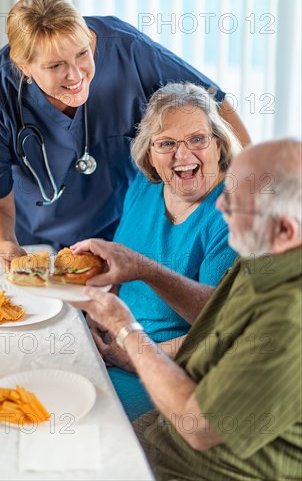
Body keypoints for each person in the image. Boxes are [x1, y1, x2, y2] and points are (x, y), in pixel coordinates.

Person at [0, 0, 250, 268]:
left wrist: (251, 188)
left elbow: (215, 104)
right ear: (24, 66)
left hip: (121, 229)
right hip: (37, 245)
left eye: (82, 53)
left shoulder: (128, 51)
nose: (76, 75)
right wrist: (9, 250)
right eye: (56, 66)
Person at [70, 138, 302, 480]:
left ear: (285, 230)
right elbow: (215, 313)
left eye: (236, 204)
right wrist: (140, 266)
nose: (220, 206)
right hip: (162, 434)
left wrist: (125, 329)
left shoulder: (290, 323)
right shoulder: (269, 253)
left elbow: (197, 426)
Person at [71, 81, 241, 420]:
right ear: (150, 152)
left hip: (170, 373)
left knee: (81, 427)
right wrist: (96, 321)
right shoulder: (146, 186)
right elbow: (117, 268)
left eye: (197, 139)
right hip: (113, 344)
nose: (183, 155)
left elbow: (219, 331)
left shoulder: (233, 216)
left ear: (218, 145)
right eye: (166, 143)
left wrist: (131, 352)